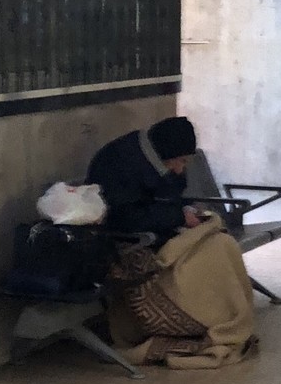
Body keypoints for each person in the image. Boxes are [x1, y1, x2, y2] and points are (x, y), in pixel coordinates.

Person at [86, 117, 257, 369]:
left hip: (160, 236)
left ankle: (230, 320)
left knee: (223, 244)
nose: (180, 169)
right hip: (132, 246)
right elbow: (124, 219)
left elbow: (169, 197)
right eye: (179, 162)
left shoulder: (158, 158)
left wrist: (184, 210)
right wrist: (178, 216)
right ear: (164, 154)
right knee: (216, 253)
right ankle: (216, 321)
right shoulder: (118, 164)